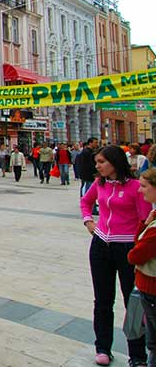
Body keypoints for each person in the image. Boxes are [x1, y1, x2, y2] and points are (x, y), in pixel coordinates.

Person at [80, 145, 149, 366]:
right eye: (96, 162)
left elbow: (144, 220)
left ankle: (137, 355)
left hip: (127, 248)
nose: (97, 166)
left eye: (101, 162)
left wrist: (140, 247)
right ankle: (103, 348)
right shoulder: (99, 183)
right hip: (100, 246)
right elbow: (85, 201)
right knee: (102, 300)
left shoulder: (136, 187)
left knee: (133, 302)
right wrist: (88, 220)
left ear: (114, 162)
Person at [128, 168, 156, 367]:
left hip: (152, 289)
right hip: (148, 288)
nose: (140, 191)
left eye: (144, 186)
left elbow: (135, 255)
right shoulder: (153, 217)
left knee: (154, 343)